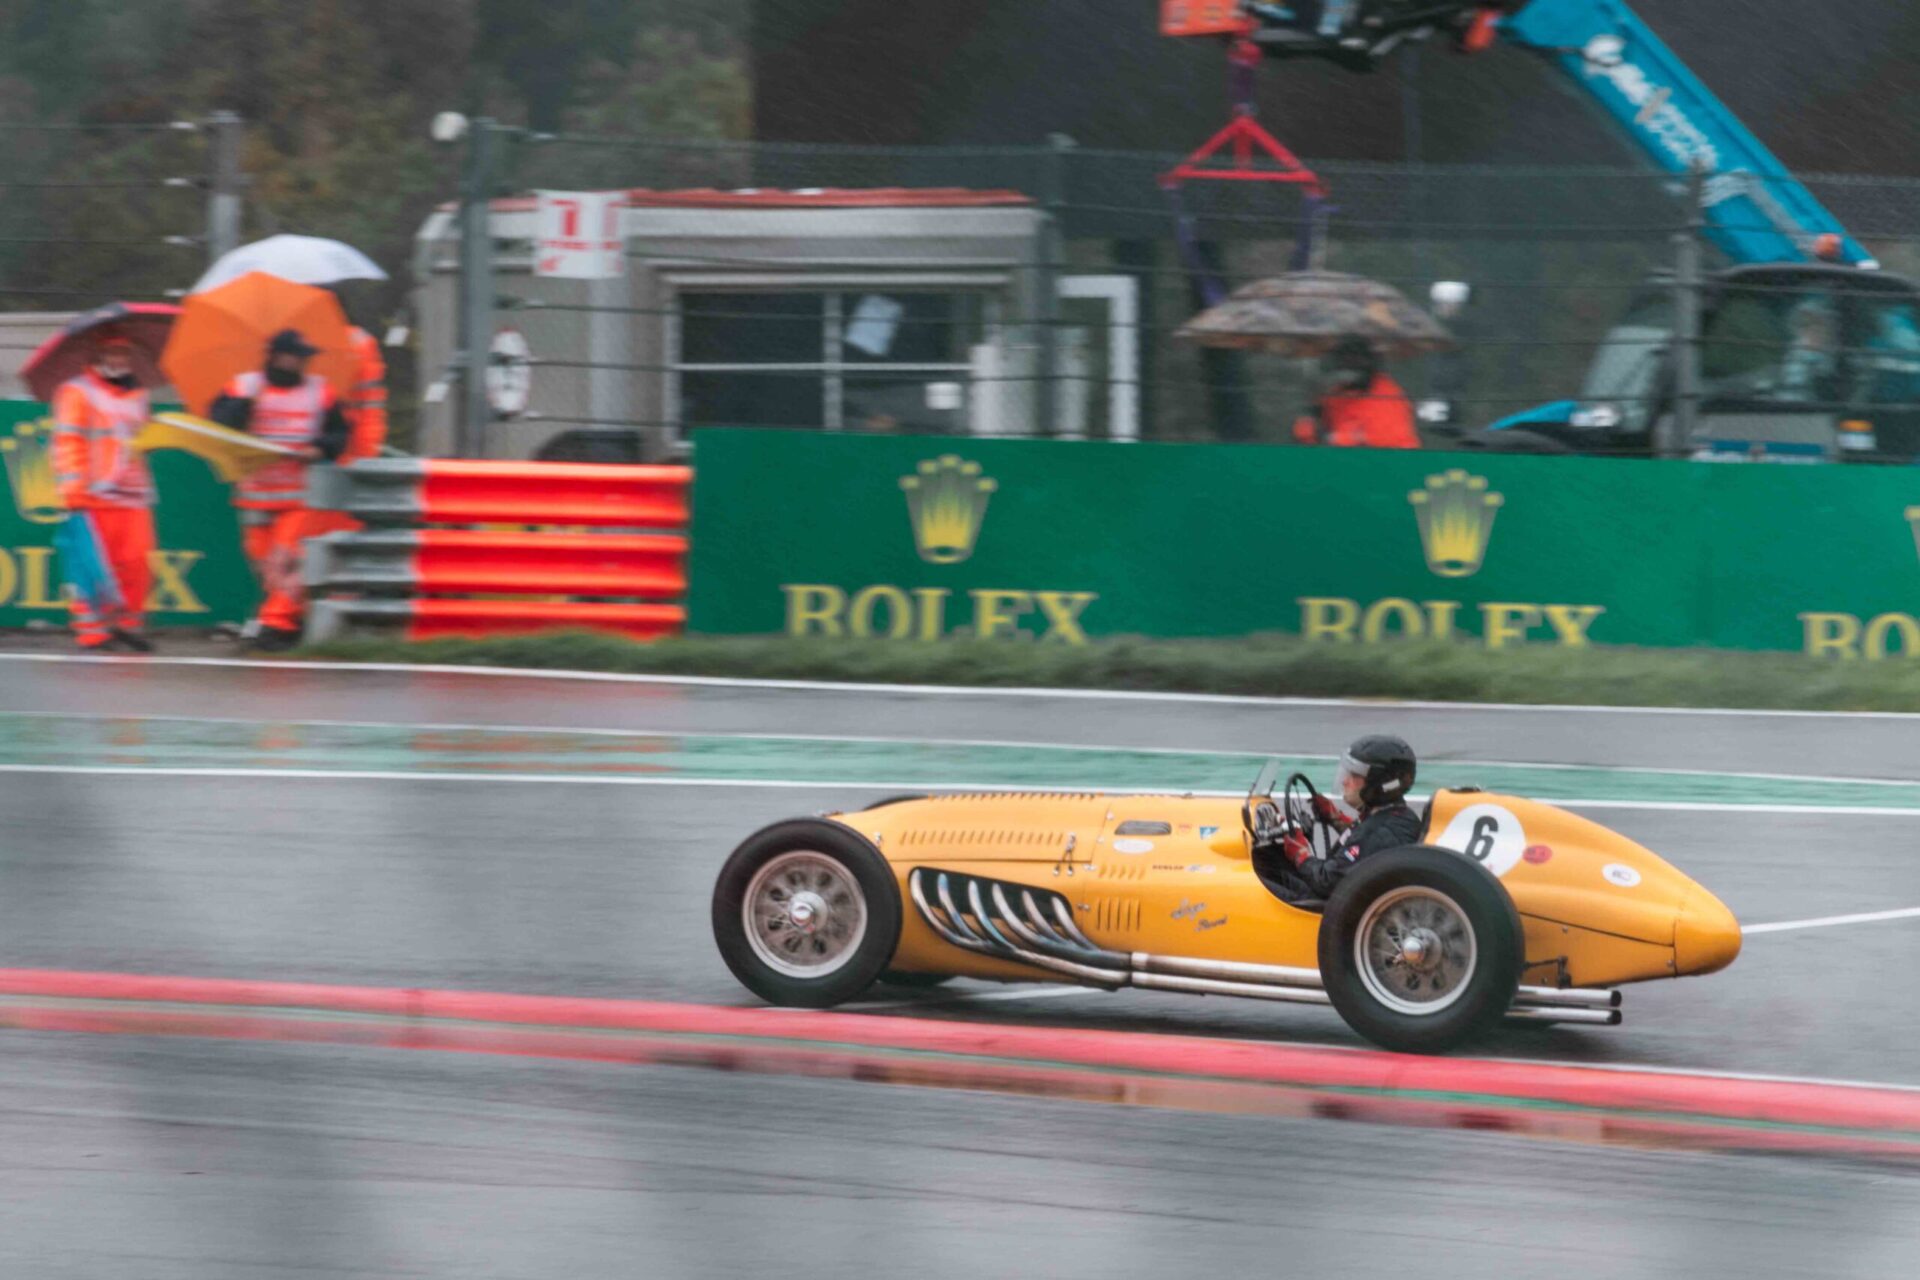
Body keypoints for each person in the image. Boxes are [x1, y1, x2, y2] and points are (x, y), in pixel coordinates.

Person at [208, 328, 350, 651]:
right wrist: (245, 404)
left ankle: (278, 625)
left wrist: (318, 448)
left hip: (299, 495)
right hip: (255, 494)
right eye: (295, 356)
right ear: (277, 356)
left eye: (304, 357)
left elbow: (339, 434)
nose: (301, 363)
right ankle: (288, 619)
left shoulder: (321, 391)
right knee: (264, 564)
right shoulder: (244, 386)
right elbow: (220, 424)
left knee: (285, 560)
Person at [50, 328, 157, 652]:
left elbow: (142, 440)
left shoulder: (139, 394)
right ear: (97, 357)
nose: (118, 360)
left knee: (137, 563)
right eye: (111, 353)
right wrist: (72, 486)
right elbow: (68, 441)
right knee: (91, 564)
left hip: (133, 493)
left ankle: (128, 625)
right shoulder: (77, 392)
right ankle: (93, 630)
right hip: (94, 493)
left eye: (123, 354)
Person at [1254, 734, 1423, 905]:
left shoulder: (1383, 831)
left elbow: (1327, 881)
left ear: (1382, 784)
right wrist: (1335, 817)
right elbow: (1363, 842)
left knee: (1253, 886)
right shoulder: (1395, 817)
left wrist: (1301, 854)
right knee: (1270, 860)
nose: (1344, 781)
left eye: (1355, 776)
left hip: (1329, 904)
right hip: (1345, 895)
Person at [1292, 336, 1420, 449]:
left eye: (1356, 359)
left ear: (1370, 362)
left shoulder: (1386, 394)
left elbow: (1383, 440)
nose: (1348, 364)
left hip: (1395, 467)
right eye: (1344, 358)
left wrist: (1330, 439)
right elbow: (1309, 430)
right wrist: (1310, 418)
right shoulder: (1337, 392)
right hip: (1344, 463)